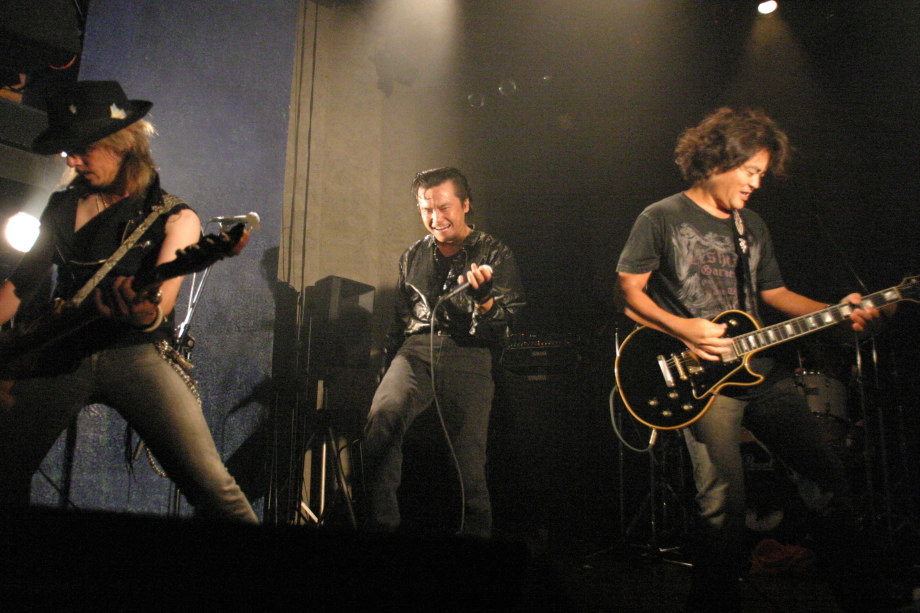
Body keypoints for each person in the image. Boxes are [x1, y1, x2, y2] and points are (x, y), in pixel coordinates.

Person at [616, 108, 888, 610]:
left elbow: (775, 294)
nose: (756, 183)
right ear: (718, 160)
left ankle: (863, 598)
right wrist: (684, 328)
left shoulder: (752, 225)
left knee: (828, 481)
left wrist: (836, 312)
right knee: (723, 505)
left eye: (761, 174)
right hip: (699, 377)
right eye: (750, 171)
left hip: (760, 371)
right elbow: (629, 292)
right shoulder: (661, 216)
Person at [0, 80, 257, 523]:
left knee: (215, 488)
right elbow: (18, 288)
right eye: (67, 151)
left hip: (135, 353)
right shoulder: (62, 207)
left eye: (82, 150)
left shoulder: (176, 218)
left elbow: (159, 308)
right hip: (61, 350)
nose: (71, 161)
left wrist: (143, 313)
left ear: (123, 144)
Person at [362, 167, 525, 537]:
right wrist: (386, 365)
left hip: (470, 352)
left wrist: (484, 300)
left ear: (465, 205)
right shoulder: (412, 255)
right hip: (416, 350)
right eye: (426, 209)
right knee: (382, 420)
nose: (435, 218)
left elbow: (506, 327)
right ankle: (380, 529)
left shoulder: (495, 252)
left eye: (444, 207)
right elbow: (400, 319)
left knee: (468, 463)